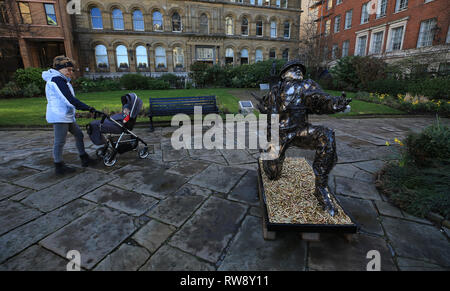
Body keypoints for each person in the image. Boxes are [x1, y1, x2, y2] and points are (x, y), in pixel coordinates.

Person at [259, 60, 351, 216]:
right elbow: (267, 109)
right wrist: (264, 108)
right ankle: (271, 158)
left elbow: (321, 99)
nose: (297, 71)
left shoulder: (308, 85)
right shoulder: (276, 89)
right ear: (284, 74)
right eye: (293, 69)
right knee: (273, 174)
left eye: (299, 69)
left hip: (301, 130)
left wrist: (336, 103)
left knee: (326, 135)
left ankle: (320, 187)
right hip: (280, 134)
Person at [42, 55, 97, 175]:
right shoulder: (56, 80)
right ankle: (59, 166)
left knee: (79, 134)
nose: (71, 72)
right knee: (60, 141)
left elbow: (69, 100)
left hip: (66, 116)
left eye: (72, 70)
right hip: (59, 116)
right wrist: (88, 108)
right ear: (60, 68)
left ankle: (84, 158)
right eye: (68, 70)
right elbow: (69, 99)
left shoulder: (62, 80)